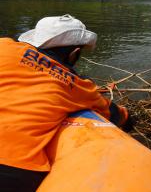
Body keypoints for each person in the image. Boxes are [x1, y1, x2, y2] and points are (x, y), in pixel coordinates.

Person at [0, 15, 131, 191]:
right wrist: (130, 120)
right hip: (14, 170)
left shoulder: (4, 46)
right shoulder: (78, 85)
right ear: (74, 54)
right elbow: (115, 114)